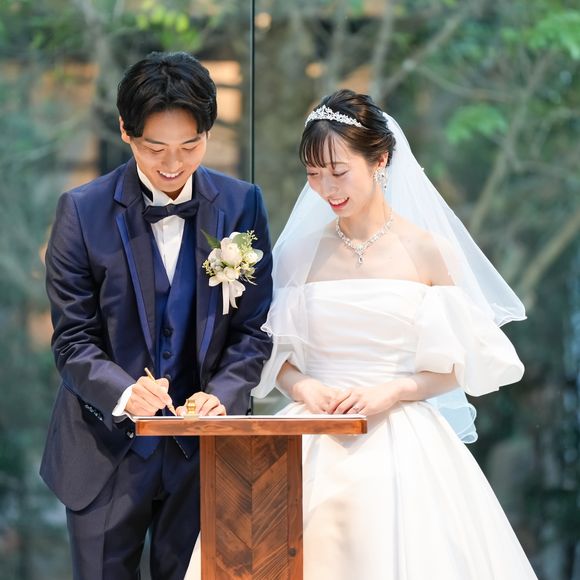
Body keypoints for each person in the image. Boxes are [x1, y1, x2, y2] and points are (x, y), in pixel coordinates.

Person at [249, 89, 537, 579]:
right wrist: (304, 387)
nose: (326, 188)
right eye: (313, 174)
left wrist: (396, 390)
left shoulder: (428, 251)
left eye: (338, 171)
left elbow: (461, 363)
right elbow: (272, 353)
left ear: (379, 160)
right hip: (312, 432)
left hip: (402, 437)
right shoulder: (298, 254)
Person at [40, 51, 273, 580]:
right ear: (126, 131)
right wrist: (125, 392)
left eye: (190, 146)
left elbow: (254, 329)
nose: (173, 164)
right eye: (154, 148)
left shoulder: (242, 205)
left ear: (208, 133)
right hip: (104, 451)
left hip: (204, 455)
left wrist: (224, 395)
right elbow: (73, 340)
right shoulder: (81, 210)